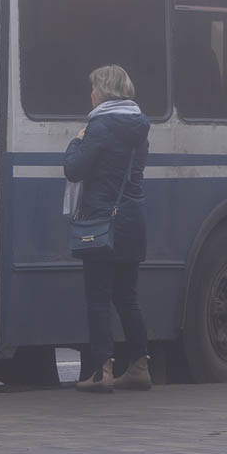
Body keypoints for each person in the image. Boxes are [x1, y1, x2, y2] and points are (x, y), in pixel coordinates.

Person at [63, 65, 152, 393]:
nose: (90, 94)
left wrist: (75, 141)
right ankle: (140, 365)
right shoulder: (140, 126)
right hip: (133, 221)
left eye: (93, 89)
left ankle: (102, 372)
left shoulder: (99, 126)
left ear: (103, 91)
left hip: (102, 222)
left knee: (98, 299)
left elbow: (74, 170)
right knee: (127, 297)